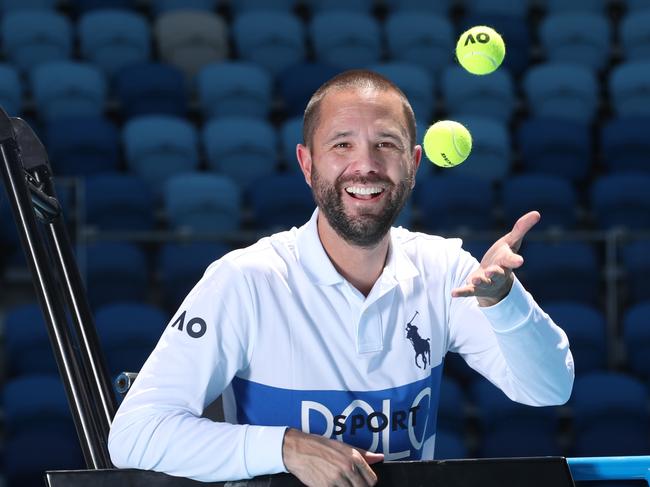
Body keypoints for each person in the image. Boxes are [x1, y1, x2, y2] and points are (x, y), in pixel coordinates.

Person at [108, 70, 574, 487]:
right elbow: (135, 434)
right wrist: (286, 448)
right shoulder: (245, 280)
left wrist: (504, 300)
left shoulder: (444, 269)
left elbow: (549, 388)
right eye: (342, 144)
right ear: (307, 164)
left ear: (412, 164)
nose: (366, 165)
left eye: (385, 144)